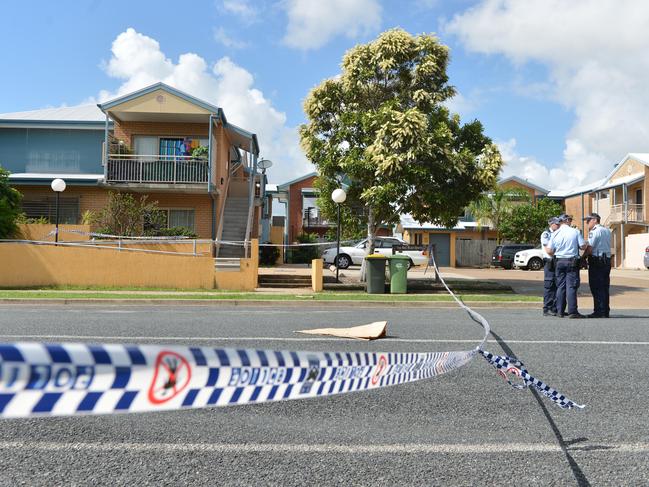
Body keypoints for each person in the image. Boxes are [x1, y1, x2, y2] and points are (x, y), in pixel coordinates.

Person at [545, 214, 588, 318]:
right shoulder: (575, 232)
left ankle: (559, 311)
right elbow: (582, 246)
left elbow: (549, 250)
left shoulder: (555, 233)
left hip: (559, 261)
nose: (571, 222)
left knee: (560, 286)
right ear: (567, 220)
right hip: (571, 261)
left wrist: (557, 255)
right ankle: (572, 311)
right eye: (570, 220)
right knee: (571, 286)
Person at [584, 213, 612, 318]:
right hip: (606, 260)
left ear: (595, 220)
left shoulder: (594, 231)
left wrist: (583, 258)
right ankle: (605, 310)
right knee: (605, 286)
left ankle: (599, 311)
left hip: (597, 261)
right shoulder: (606, 230)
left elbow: (590, 248)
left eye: (588, 220)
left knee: (596, 286)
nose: (587, 223)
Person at [541, 217, 561, 316]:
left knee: (557, 285)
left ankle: (555, 308)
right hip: (550, 261)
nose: (558, 226)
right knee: (549, 285)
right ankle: (547, 308)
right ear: (551, 224)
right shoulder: (546, 234)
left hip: (557, 260)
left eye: (559, 224)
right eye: (556, 224)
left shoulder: (558, 234)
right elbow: (548, 249)